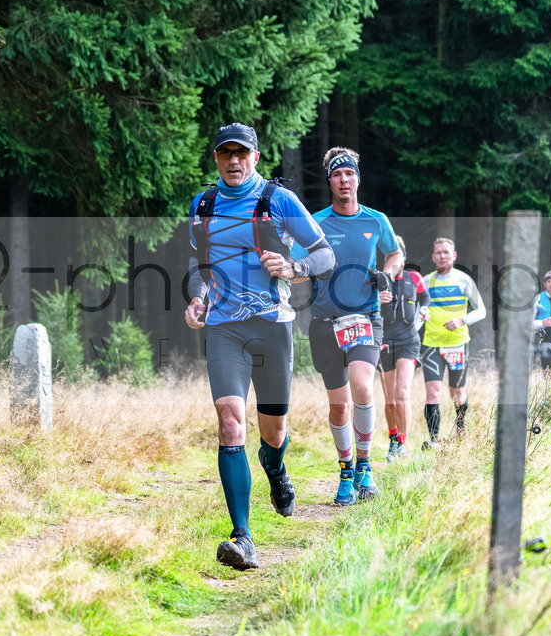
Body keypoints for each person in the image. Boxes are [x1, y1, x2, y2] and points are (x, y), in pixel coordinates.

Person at [184, 122, 335, 571]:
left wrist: (294, 266)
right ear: (215, 158)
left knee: (273, 431)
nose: (234, 161)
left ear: (255, 156)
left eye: (241, 153)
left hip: (272, 326)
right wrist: (196, 296)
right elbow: (197, 263)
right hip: (225, 327)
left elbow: (324, 254)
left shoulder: (278, 200)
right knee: (230, 423)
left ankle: (275, 466)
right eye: (225, 153)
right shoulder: (203, 203)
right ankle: (243, 537)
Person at [292, 147, 402, 505]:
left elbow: (395, 253)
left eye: (350, 174)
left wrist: (387, 275)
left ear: (358, 179)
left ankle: (365, 466)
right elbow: (296, 264)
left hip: (366, 319)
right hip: (325, 323)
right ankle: (345, 469)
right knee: (340, 407)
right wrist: (294, 270)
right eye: (338, 175)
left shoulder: (375, 220)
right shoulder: (316, 222)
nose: (344, 180)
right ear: (330, 181)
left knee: (364, 389)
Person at [420, 237, 485, 449]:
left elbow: (481, 311)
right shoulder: (426, 281)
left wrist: (461, 320)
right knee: (433, 393)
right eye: (438, 252)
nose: (442, 256)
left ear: (454, 255)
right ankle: (435, 440)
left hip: (457, 344)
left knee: (457, 394)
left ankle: (460, 430)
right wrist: (420, 316)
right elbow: (417, 309)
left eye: (446, 252)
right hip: (431, 345)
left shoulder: (464, 280)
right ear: (433, 257)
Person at [378, 235, 430, 461]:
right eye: (391, 254)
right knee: (390, 398)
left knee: (402, 393)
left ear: (403, 256)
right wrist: (378, 299)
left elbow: (425, 298)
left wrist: (425, 310)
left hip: (408, 341)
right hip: (384, 342)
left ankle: (403, 444)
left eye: (398, 253)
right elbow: (365, 306)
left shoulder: (414, 278)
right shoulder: (379, 280)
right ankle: (392, 440)